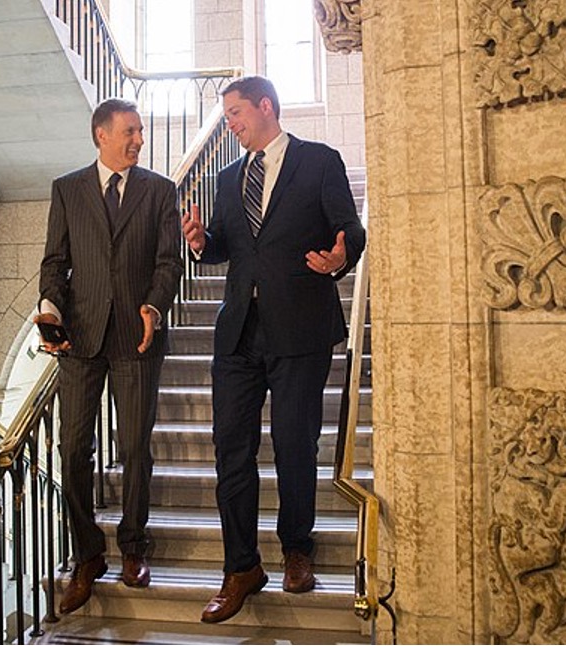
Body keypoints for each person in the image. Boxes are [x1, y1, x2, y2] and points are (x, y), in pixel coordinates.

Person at [181, 76, 366, 624]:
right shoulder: (227, 177)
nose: (231, 124)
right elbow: (227, 246)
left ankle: (297, 550)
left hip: (301, 329)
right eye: (227, 117)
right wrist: (201, 243)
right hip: (239, 332)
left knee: (294, 444)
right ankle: (241, 567)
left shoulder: (320, 161)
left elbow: (350, 229)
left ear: (266, 106)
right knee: (231, 450)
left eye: (236, 113)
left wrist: (341, 258)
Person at [37, 97, 182, 615]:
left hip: (137, 338)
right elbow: (55, 262)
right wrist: (50, 310)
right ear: (102, 135)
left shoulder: (160, 190)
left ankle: (134, 547)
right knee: (73, 449)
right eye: (130, 131)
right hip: (80, 339)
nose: (139, 139)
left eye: (140, 131)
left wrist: (154, 306)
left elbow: (169, 262)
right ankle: (88, 553)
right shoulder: (67, 189)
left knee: (135, 447)